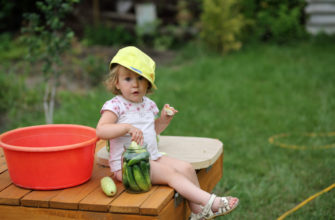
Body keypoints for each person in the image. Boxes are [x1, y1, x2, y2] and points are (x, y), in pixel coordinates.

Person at [96, 46, 239, 219]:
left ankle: (198, 212)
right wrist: (126, 127)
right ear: (117, 83)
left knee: (186, 168)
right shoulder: (115, 106)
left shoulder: (147, 104)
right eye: (128, 79)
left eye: (141, 78)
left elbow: (152, 130)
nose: (135, 84)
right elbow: (101, 130)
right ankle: (212, 202)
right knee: (171, 175)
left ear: (148, 82)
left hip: (153, 156)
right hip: (130, 166)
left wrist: (163, 119)